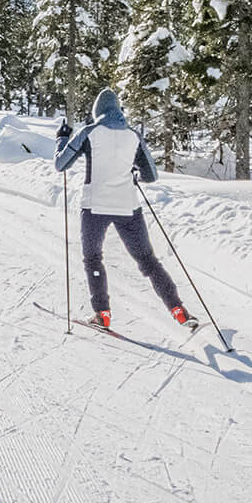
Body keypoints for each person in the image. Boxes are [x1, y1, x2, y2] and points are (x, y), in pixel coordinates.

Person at [54, 88, 197, 331]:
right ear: (119, 111)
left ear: (97, 112)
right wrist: (133, 172)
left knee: (93, 259)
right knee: (148, 260)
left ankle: (102, 314)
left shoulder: (89, 132)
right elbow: (151, 175)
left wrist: (62, 139)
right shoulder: (133, 135)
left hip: (94, 207)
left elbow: (60, 164)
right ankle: (178, 309)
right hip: (128, 208)